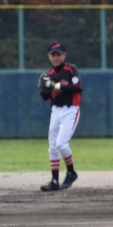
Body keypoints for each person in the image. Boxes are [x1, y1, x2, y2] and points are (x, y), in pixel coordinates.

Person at [38, 42, 82, 192]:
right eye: (53, 54)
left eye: (58, 54)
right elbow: (45, 97)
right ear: (48, 56)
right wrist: (43, 88)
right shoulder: (48, 75)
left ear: (64, 55)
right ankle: (54, 181)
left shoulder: (71, 69)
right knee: (52, 146)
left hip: (71, 109)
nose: (56, 57)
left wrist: (55, 86)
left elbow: (77, 88)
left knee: (61, 144)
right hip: (55, 110)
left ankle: (71, 172)